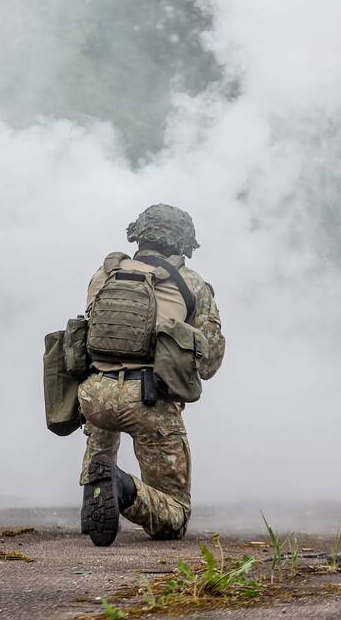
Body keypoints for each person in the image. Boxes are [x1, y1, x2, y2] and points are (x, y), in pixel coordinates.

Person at [79, 204, 225, 546]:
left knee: (103, 425)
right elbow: (210, 361)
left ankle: (96, 481)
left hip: (93, 395)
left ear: (139, 235)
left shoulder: (105, 274)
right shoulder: (191, 283)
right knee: (174, 517)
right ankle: (120, 486)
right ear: (183, 243)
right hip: (147, 400)